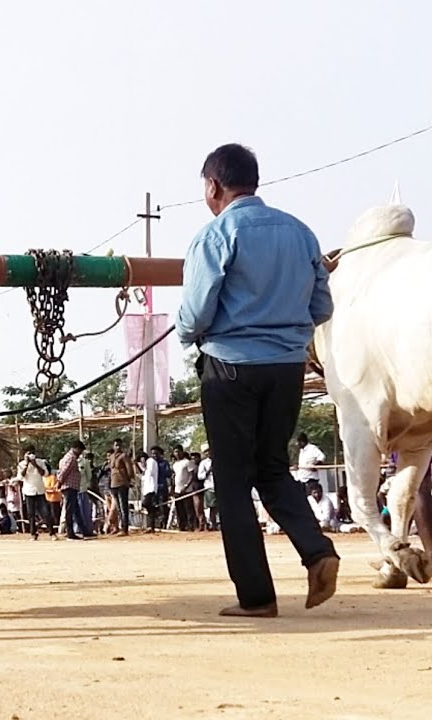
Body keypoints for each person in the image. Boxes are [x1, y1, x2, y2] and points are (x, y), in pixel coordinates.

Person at [175, 143, 339, 617]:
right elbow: (322, 307)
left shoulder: (216, 234)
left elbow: (196, 312)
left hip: (229, 368)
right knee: (270, 469)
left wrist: (192, 330)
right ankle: (317, 550)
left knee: (231, 483)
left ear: (212, 186)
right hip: (287, 370)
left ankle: (257, 597)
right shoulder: (301, 233)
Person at [56, 440, 91, 540]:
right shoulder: (70, 458)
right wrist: (59, 482)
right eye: (80, 450)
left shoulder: (71, 458)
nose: (80, 453)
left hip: (73, 486)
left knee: (76, 510)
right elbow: (64, 471)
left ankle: (84, 531)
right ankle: (70, 533)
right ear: (76, 448)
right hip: (69, 487)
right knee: (69, 510)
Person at [17, 446, 54, 540]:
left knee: (45, 512)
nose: (31, 455)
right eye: (29, 453)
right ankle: (33, 534)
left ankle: (52, 533)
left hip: (40, 490)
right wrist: (26, 464)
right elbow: (21, 477)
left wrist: (35, 464)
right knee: (31, 514)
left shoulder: (40, 462)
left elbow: (45, 474)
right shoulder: (21, 464)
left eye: (32, 453)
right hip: (29, 491)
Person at [107, 438, 136, 536]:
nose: (118, 447)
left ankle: (125, 528)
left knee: (123, 507)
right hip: (113, 484)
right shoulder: (111, 457)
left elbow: (130, 470)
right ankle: (117, 527)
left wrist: (130, 480)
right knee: (118, 508)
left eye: (119, 445)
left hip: (122, 483)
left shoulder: (124, 456)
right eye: (116, 445)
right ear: (113, 446)